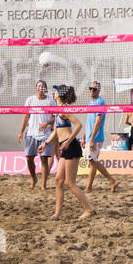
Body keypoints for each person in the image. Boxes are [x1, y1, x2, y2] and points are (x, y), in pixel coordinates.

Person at [46, 85, 94, 221]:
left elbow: (78, 125)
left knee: (70, 183)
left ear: (59, 95)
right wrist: (45, 143)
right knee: (58, 180)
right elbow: (56, 131)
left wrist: (67, 142)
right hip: (64, 146)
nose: (53, 93)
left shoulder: (64, 109)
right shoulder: (58, 110)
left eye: (55, 92)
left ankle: (88, 209)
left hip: (71, 145)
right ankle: (57, 214)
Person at [82, 81, 119, 192]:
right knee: (93, 161)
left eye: (94, 89)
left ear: (99, 90)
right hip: (90, 136)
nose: (91, 90)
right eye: (90, 88)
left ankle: (89, 187)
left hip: (96, 137)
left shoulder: (100, 102)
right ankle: (112, 180)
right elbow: (89, 121)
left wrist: (92, 138)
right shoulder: (91, 102)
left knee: (93, 162)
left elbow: (98, 121)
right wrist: (84, 136)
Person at [18, 80, 56, 189]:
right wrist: (21, 131)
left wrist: (47, 123)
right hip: (31, 134)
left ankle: (43, 185)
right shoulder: (30, 100)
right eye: (39, 86)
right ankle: (34, 178)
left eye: (43, 86)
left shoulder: (50, 100)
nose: (41, 88)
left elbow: (55, 116)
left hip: (45, 135)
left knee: (44, 160)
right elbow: (26, 116)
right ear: (36, 88)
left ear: (45, 88)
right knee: (29, 159)